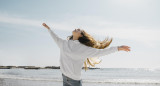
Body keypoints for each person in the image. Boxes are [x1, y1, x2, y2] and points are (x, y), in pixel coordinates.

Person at [42, 23, 131, 86]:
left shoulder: (84, 49)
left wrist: (118, 48)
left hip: (74, 82)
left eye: (79, 30)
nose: (77, 28)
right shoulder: (64, 43)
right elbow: (55, 37)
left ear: (81, 35)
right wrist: (49, 29)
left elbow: (101, 52)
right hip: (64, 78)